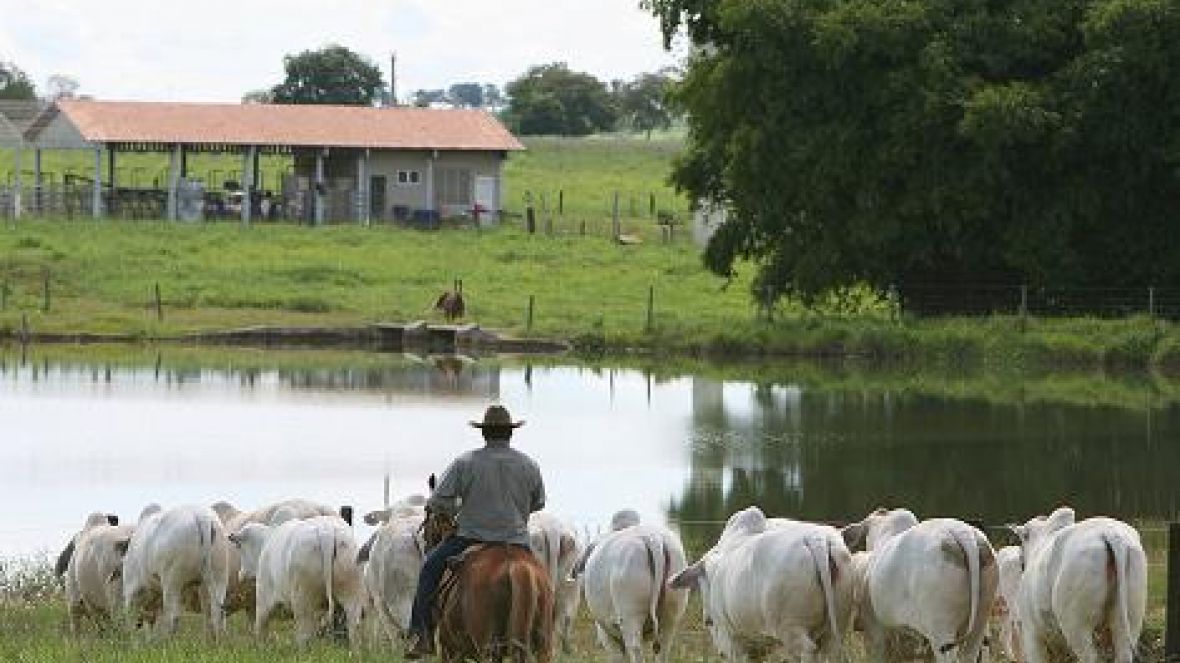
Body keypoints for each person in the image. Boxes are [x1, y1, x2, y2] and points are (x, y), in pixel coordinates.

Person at [404, 404, 546, 659]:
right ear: (510, 433)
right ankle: (545, 638)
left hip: (469, 537)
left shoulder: (465, 463)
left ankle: (421, 636)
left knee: (429, 569)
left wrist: (455, 511)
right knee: (543, 581)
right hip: (517, 541)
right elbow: (539, 503)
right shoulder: (529, 465)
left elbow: (438, 502)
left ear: (484, 433)